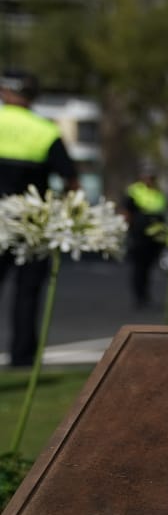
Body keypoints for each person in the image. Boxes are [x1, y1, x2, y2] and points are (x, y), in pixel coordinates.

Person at [0, 69, 78, 367]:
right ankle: (22, 358)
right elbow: (71, 180)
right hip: (33, 221)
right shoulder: (45, 131)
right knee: (28, 293)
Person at [123, 165, 167, 308]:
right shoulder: (135, 191)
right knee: (139, 268)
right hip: (139, 236)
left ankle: (145, 295)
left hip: (154, 238)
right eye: (147, 176)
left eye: (151, 177)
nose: (149, 180)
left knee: (148, 268)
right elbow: (127, 212)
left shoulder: (158, 193)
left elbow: (162, 213)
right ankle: (139, 297)